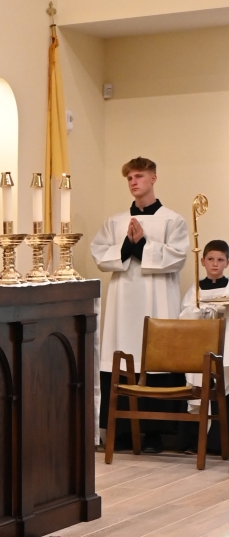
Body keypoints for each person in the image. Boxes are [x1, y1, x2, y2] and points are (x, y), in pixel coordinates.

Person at [91, 156, 189, 453]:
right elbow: (100, 254)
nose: (134, 182)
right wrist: (127, 245)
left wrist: (142, 245)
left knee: (156, 356)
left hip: (158, 297)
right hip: (124, 298)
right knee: (121, 354)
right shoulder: (115, 221)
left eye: (139, 176)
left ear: (153, 178)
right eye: (130, 178)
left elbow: (177, 257)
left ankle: (155, 434)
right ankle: (121, 432)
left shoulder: (173, 220)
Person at [177, 239, 229, 454]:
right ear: (202, 261)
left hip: (225, 346)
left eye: (220, 260)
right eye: (211, 259)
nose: (215, 264)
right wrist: (199, 311)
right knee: (197, 391)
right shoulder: (195, 290)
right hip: (199, 346)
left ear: (227, 263)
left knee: (222, 392)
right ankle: (192, 443)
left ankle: (219, 444)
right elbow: (184, 315)